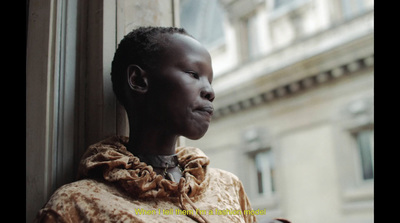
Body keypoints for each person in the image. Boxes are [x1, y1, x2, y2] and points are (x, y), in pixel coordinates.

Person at [35, 26, 290, 223]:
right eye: (194, 75)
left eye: (210, 80)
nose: (210, 91)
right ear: (138, 80)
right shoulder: (78, 204)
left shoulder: (228, 187)